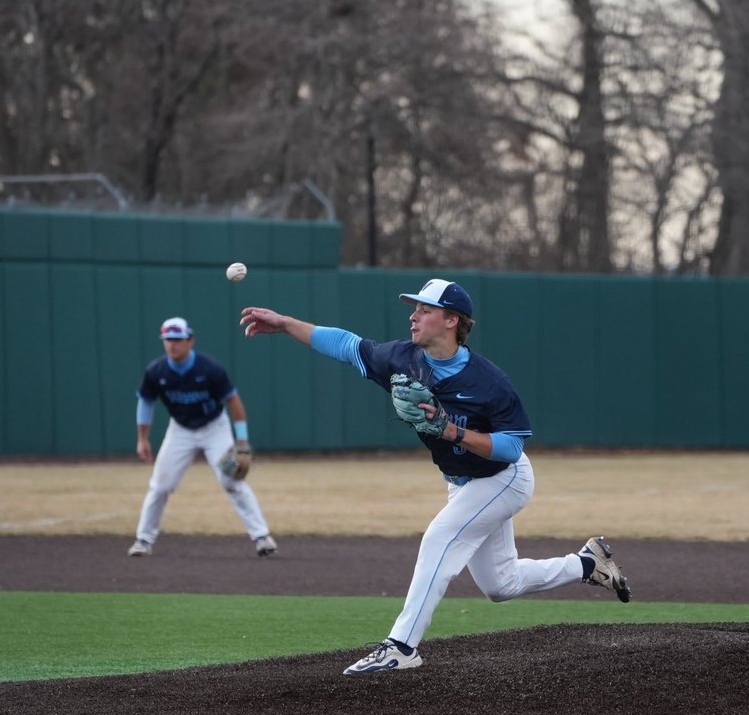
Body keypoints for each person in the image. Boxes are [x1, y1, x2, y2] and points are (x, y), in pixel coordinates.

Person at [239, 279, 630, 675]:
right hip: (461, 481)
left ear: (451, 320)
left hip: (503, 479)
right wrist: (285, 323)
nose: (413, 315)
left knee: (440, 538)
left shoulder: (488, 382)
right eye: (415, 308)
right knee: (501, 585)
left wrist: (452, 432)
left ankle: (401, 646)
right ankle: (587, 564)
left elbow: (513, 447)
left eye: (424, 309)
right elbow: (345, 344)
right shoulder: (401, 358)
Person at [128, 316, 277, 558]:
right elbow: (145, 402)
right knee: (160, 486)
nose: (172, 345)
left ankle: (261, 536)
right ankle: (143, 540)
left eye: (177, 339)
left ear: (190, 340)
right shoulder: (157, 371)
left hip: (214, 429)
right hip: (180, 430)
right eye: (168, 340)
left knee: (232, 480)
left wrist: (241, 440)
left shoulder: (210, 369)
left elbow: (234, 401)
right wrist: (142, 439)